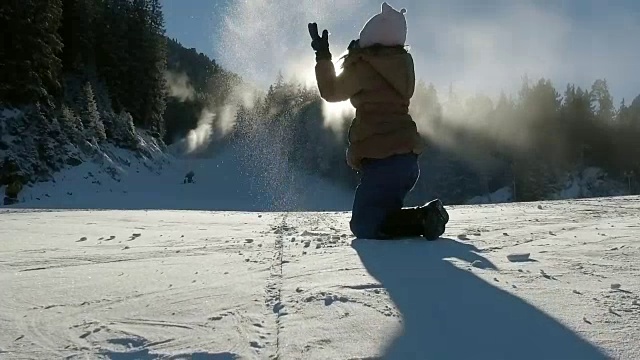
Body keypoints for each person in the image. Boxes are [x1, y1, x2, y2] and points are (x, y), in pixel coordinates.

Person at [308, 2, 449, 240]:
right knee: (381, 215)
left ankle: (425, 217)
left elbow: (331, 91)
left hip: (383, 161)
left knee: (365, 224)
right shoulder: (402, 67)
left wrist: (323, 56)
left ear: (370, 38)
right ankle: (425, 218)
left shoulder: (365, 67)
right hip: (407, 162)